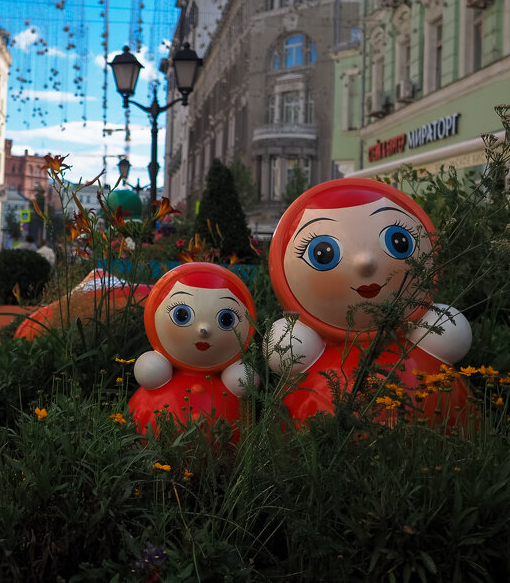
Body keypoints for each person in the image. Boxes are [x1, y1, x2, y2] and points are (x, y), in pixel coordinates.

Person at [266, 178, 472, 427]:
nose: (365, 262)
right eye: (323, 253)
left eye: (398, 241)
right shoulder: (306, 353)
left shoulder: (429, 343)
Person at [129, 263, 256, 435]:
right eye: (182, 315)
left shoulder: (233, 378)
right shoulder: (158, 373)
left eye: (226, 319)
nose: (203, 330)